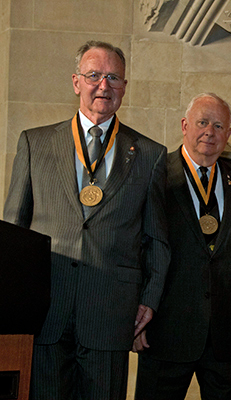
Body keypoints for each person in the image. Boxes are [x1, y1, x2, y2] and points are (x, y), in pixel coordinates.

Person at [3, 40, 169, 399]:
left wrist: (149, 300)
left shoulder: (151, 155)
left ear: (125, 87)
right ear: (76, 81)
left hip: (110, 312)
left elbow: (157, 240)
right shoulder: (35, 143)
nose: (103, 85)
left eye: (113, 77)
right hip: (46, 309)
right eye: (94, 75)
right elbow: (14, 232)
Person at [134, 93, 231, 400]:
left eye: (219, 125)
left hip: (230, 337)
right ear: (185, 126)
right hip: (165, 330)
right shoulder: (153, 177)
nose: (210, 131)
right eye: (202, 122)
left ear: (229, 134)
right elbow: (137, 250)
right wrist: (136, 317)